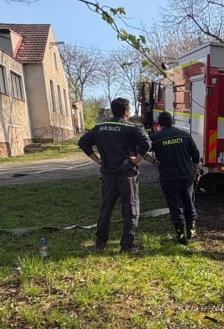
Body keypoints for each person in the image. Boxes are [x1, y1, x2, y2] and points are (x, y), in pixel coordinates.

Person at [78, 97, 151, 253]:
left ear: (113, 110)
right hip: (127, 175)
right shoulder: (132, 127)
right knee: (131, 210)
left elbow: (83, 142)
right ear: (126, 112)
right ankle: (126, 245)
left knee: (106, 209)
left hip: (108, 176)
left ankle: (100, 242)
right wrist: (136, 161)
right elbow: (147, 143)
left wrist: (97, 160)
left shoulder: (100, 127)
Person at [143, 112, 200, 244]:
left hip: (168, 178)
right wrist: (195, 171)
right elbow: (195, 154)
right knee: (189, 204)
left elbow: (140, 151)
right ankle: (191, 233)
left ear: (159, 124)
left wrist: (153, 161)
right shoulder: (184, 135)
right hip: (186, 177)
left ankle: (181, 236)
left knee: (175, 206)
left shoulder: (155, 137)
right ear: (172, 121)